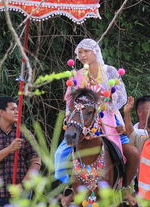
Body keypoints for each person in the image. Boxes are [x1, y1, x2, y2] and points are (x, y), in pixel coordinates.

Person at [55, 38, 139, 186]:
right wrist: (70, 118)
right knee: (60, 154)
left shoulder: (109, 71)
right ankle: (67, 188)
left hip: (108, 118)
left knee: (131, 153)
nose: (82, 55)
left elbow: (121, 96)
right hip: (82, 118)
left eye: (86, 51)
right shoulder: (77, 74)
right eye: (79, 52)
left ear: (95, 51)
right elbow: (69, 100)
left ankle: (123, 187)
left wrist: (103, 92)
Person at [0, 97, 41, 207]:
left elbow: (36, 161)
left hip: (20, 193)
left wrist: (23, 185)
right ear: (1, 112)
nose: (17, 112)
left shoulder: (25, 133)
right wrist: (9, 149)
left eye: (17, 109)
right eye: (13, 109)